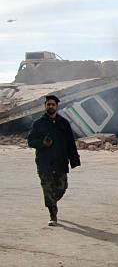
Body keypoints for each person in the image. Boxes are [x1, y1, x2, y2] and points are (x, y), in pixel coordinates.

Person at [27, 95, 81, 226]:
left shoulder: (64, 123)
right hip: (44, 162)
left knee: (62, 187)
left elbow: (70, 143)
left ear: (57, 106)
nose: (50, 106)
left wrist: (74, 159)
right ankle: (53, 215)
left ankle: (52, 201)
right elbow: (30, 141)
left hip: (60, 162)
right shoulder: (38, 123)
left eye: (53, 104)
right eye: (48, 104)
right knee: (47, 188)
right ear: (45, 106)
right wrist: (42, 143)